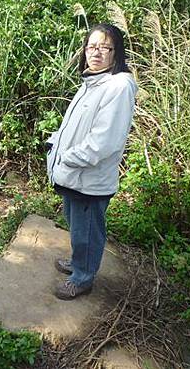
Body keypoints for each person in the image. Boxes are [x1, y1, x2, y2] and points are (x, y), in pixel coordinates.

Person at [46, 23, 137, 300]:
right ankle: (78, 264)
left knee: (87, 231)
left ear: (116, 52)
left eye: (105, 47)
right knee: (75, 223)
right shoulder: (92, 82)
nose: (97, 52)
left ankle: (83, 278)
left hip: (88, 177)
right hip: (75, 173)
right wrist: (55, 144)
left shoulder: (118, 85)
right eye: (92, 46)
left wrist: (66, 158)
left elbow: (103, 142)